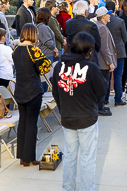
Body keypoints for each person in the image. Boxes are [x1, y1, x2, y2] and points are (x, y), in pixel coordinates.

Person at [52, 32, 106, 191]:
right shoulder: (91, 67)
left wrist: (63, 109)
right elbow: (101, 90)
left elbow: (56, 92)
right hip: (87, 118)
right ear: (89, 51)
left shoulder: (59, 66)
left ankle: (67, 188)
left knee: (69, 157)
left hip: (68, 117)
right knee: (88, 159)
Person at [13, 23, 51, 166]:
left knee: (23, 122)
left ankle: (22, 157)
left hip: (20, 89)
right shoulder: (34, 51)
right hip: (33, 90)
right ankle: (29, 157)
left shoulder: (16, 49)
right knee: (31, 124)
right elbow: (44, 68)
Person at [105, 1, 127, 107]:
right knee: (118, 75)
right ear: (115, 9)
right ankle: (118, 99)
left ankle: (105, 99)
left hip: (107, 52)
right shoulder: (119, 21)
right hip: (118, 51)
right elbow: (125, 37)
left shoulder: (102, 22)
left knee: (107, 76)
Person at [96, 7, 117, 116]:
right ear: (103, 16)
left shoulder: (100, 26)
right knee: (103, 86)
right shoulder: (102, 28)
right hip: (103, 63)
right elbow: (104, 47)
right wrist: (110, 62)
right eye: (108, 14)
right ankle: (100, 107)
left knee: (103, 85)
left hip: (101, 62)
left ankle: (101, 106)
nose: (109, 16)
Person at [66, 0, 101, 65]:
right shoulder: (91, 25)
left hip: (73, 56)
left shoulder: (68, 23)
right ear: (85, 11)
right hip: (88, 58)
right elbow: (97, 44)